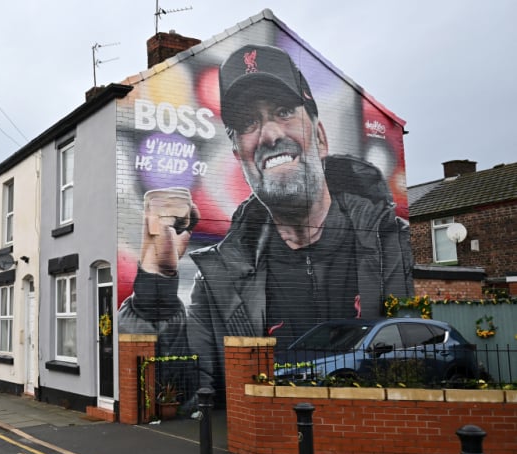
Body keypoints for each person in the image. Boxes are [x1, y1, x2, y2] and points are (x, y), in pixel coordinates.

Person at [119, 44, 413, 394]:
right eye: (248, 123)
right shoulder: (217, 284)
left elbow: (412, 360)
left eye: (284, 111)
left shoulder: (390, 244)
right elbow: (179, 393)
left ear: (319, 138)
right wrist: (156, 284)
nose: (270, 135)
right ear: (239, 157)